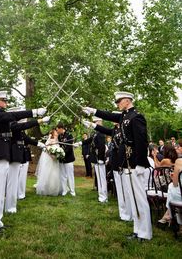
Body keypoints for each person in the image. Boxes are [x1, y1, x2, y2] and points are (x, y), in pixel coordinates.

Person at [82, 91, 152, 241]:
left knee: (139, 197)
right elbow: (109, 116)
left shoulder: (136, 116)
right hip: (125, 162)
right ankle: (137, 230)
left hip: (134, 162)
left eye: (119, 101)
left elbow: (141, 141)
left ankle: (145, 232)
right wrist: (93, 111)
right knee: (132, 198)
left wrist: (140, 163)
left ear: (127, 100)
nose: (117, 104)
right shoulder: (124, 116)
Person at [0, 90, 50, 235]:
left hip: (3, 154)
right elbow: (15, 117)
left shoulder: (3, 116)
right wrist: (35, 112)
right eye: (4, 100)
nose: (6, 103)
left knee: (0, 190)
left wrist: (37, 118)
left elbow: (17, 125)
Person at [4, 107, 45, 214]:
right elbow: (24, 126)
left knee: (14, 180)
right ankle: (10, 206)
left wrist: (38, 144)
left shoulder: (17, 127)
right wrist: (39, 120)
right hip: (13, 154)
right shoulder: (12, 124)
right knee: (12, 181)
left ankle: (12, 205)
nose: (23, 118)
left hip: (18, 154)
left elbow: (26, 139)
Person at [80, 117, 108, 203]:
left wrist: (100, 158)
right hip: (96, 158)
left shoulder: (101, 132)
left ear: (100, 122)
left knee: (102, 178)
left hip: (99, 159)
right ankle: (101, 195)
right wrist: (80, 143)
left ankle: (104, 196)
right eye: (94, 122)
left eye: (96, 121)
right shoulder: (96, 132)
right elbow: (90, 140)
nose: (95, 123)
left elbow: (102, 146)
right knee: (99, 178)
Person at [36, 129, 62, 196]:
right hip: (49, 158)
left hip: (55, 159)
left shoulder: (57, 139)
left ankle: (53, 189)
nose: (57, 132)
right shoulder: (50, 139)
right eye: (56, 132)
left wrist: (57, 155)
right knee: (48, 172)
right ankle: (45, 189)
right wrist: (51, 155)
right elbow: (46, 147)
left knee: (54, 173)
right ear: (53, 133)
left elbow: (58, 148)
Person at [56, 122, 75, 196]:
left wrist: (63, 153)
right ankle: (64, 190)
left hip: (69, 158)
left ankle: (72, 191)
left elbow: (69, 147)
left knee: (70, 175)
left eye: (58, 130)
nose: (57, 131)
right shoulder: (59, 136)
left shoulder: (69, 135)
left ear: (61, 128)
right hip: (61, 159)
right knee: (62, 175)